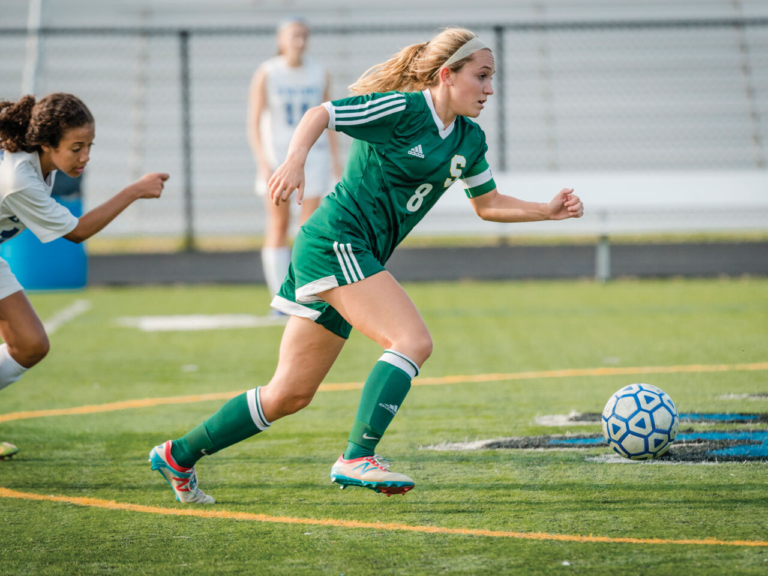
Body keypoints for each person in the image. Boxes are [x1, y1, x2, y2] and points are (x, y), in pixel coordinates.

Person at [150, 27, 583, 504]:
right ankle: (357, 456)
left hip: (353, 255)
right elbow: (323, 112)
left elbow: (488, 203)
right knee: (413, 341)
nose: (489, 89)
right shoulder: (401, 109)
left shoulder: (469, 139)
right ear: (446, 74)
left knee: (289, 394)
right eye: (481, 77)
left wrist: (546, 210)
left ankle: (179, 454)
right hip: (336, 241)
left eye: (491, 78)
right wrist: (295, 160)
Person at [0, 93, 167, 460]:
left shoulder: (34, 163)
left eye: (89, 145)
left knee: (30, 346)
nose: (85, 156)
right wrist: (135, 190)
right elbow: (76, 232)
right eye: (76, 147)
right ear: (46, 144)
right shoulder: (17, 177)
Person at [247, 16, 342, 306]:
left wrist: (337, 161)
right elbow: (253, 122)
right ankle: (279, 297)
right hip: (279, 157)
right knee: (277, 224)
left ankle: (303, 292)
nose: (299, 41)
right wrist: (263, 162)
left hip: (314, 158)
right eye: (293, 36)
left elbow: (330, 120)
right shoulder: (267, 72)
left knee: (308, 227)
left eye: (303, 35)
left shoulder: (319, 71)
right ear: (281, 40)